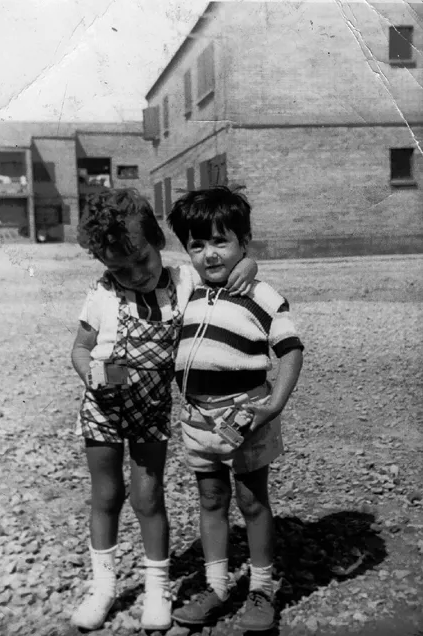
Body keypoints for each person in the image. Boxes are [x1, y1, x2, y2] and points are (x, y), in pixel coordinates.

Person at [70, 188, 258, 632]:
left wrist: (248, 265)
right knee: (107, 495)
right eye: (119, 268)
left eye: (141, 260)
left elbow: (227, 274)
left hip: (151, 411)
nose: (134, 275)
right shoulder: (101, 293)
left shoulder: (183, 281)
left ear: (157, 240)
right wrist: (93, 374)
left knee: (148, 496)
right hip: (103, 408)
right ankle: (104, 587)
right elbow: (80, 348)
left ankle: (157, 588)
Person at [167, 186, 304, 632]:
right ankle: (217, 585)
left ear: (244, 240)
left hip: (246, 417)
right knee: (210, 499)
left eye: (221, 241)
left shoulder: (263, 295)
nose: (209, 254)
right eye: (197, 244)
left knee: (251, 499)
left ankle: (261, 588)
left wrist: (275, 405)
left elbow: (290, 350)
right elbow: (149, 272)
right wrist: (240, 258)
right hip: (197, 420)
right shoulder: (185, 287)